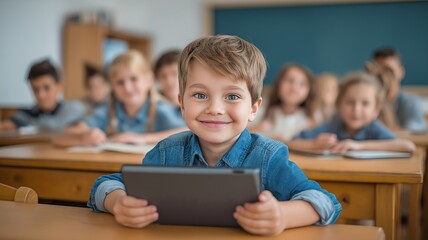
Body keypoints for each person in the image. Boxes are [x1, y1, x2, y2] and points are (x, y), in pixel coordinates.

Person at [87, 35, 342, 236]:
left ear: (254, 108)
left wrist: (284, 216)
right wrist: (119, 203)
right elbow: (105, 185)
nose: (215, 108)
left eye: (232, 96)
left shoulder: (268, 157)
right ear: (182, 103)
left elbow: (325, 201)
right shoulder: (166, 152)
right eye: (200, 95)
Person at [52, 50, 187, 147]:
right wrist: (83, 138)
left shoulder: (160, 110)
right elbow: (60, 137)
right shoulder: (108, 111)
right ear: (112, 86)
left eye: (133, 79)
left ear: (149, 79)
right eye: (120, 82)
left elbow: (188, 132)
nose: (127, 88)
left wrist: (141, 139)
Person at [289, 72, 416, 153]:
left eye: (365, 103)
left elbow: (408, 146)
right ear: (338, 105)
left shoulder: (373, 127)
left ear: (376, 110)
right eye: (350, 102)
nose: (356, 109)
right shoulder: (333, 124)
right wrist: (313, 144)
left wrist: (358, 146)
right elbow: (292, 142)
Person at [0, 59, 85, 132]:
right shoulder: (27, 114)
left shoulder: (73, 110)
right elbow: (7, 124)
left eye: (46, 88)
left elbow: (58, 126)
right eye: (35, 90)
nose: (41, 95)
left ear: (60, 87)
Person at [249, 63, 317, 142]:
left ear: (309, 90)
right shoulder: (261, 109)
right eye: (290, 81)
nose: (294, 88)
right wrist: (256, 128)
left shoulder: (309, 119)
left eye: (302, 84)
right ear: (279, 84)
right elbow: (240, 133)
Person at [373, 47, 426, 132]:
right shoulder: (366, 103)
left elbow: (413, 133)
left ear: (401, 72)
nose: (383, 76)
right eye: (378, 71)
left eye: (389, 71)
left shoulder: (410, 102)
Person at [153, 50, 183, 120]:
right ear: (157, 78)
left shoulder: (194, 103)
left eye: (174, 74)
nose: (169, 81)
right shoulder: (151, 106)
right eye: (163, 76)